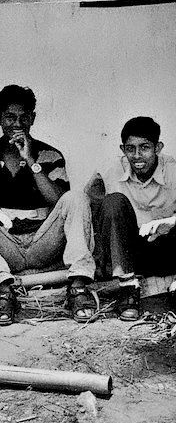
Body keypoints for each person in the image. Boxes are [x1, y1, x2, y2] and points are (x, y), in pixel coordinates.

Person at [0, 84, 95, 324]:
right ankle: (2, 288)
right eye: (10, 117)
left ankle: (78, 286)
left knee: (76, 197)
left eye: (24, 117)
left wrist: (31, 160)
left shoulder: (49, 154)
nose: (17, 124)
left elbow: (57, 200)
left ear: (33, 118)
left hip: (43, 241)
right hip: (5, 244)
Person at [85, 116, 176, 320]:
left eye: (144, 147)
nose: (137, 155)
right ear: (122, 149)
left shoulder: (173, 170)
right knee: (114, 201)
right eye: (130, 148)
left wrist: (168, 223)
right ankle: (127, 289)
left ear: (158, 147)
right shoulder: (108, 170)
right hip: (128, 255)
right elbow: (91, 205)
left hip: (166, 251)